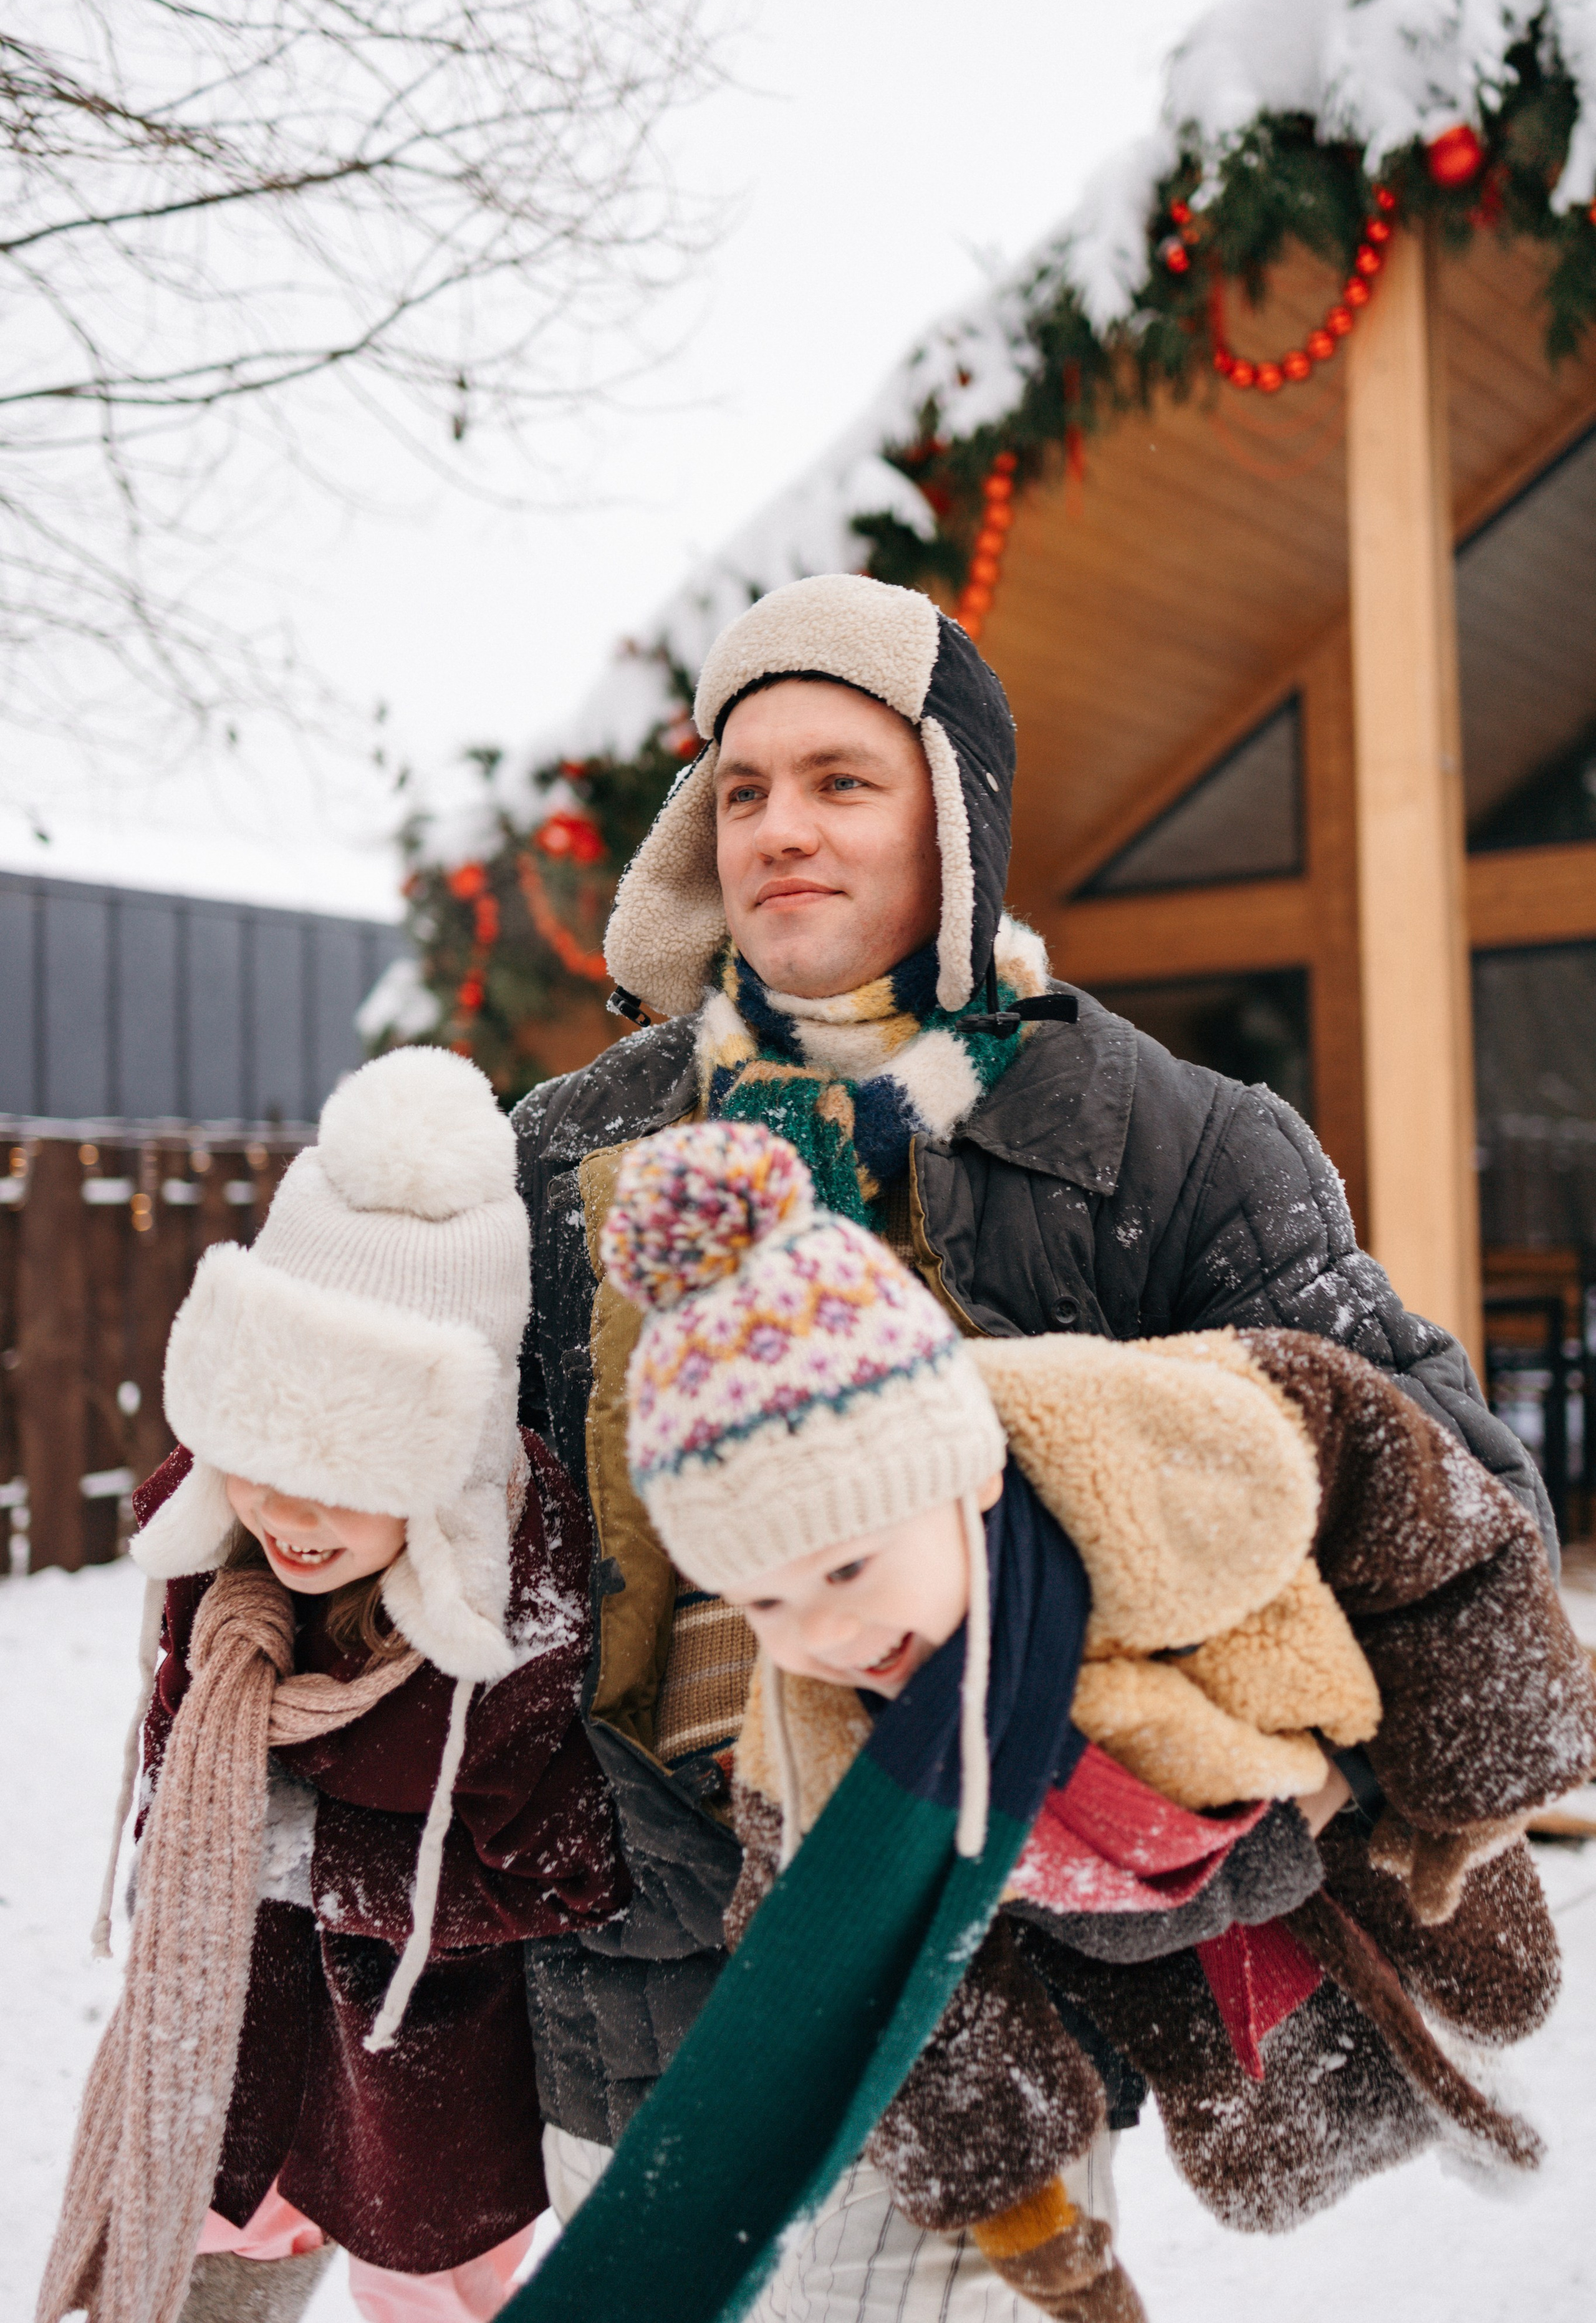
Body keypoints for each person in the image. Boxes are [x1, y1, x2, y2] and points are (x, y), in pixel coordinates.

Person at [512, 569, 1554, 2226]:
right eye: (744, 787)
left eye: (844, 781)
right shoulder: (560, 1152)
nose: (782, 825)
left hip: (992, 2009)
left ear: (958, 815)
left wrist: (1210, 1794)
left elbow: (1458, 1505)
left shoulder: (1174, 1141)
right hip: (629, 1998)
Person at [511, 1117, 1592, 2323]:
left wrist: (1464, 1780)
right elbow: (902, 2013)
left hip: (1304, 1750)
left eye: (852, 1568)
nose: (824, 1635)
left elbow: (1427, 1501)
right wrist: (1040, 2234)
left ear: (965, 1476)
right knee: (1275, 2135)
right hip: (1108, 1882)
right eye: (765, 1597)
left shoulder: (1175, 1443)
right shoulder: (816, 1749)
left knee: (1492, 1967)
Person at [37, 1048, 628, 2323]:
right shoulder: (227, 1572)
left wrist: (309, 1848)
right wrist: (206, 1851)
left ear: (442, 1456)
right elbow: (172, 1774)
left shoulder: (507, 1611)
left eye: (349, 1464)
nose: (291, 1510)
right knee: (190, 2288)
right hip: (230, 2044)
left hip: (413, 2078)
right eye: (261, 1453)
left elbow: (563, 1865)